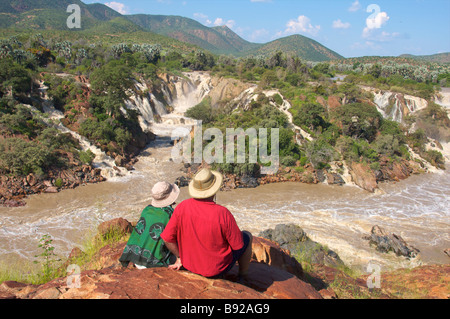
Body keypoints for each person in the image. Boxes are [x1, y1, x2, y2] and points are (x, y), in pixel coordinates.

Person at [160, 168, 253, 280]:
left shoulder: (182, 207)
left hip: (189, 266)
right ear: (214, 190)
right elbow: (238, 245)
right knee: (247, 236)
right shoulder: (222, 213)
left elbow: (167, 239)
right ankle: (243, 275)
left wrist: (180, 257)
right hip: (216, 271)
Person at [119, 181, 180, 269]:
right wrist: (179, 257)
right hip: (154, 263)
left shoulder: (147, 209)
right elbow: (170, 240)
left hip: (136, 259)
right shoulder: (169, 215)